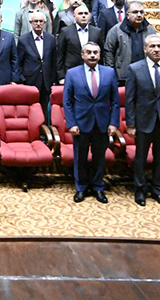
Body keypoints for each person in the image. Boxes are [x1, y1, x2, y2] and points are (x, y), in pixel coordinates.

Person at [125, 35, 160, 208]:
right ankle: (140, 190)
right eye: (152, 46)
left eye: (159, 46)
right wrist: (131, 124)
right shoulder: (135, 69)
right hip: (143, 121)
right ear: (145, 49)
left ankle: (158, 190)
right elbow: (129, 99)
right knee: (140, 157)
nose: (156, 49)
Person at [62, 42, 120, 204]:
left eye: (95, 52)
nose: (92, 55)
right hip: (80, 123)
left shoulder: (109, 73)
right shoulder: (72, 73)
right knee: (80, 157)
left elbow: (115, 101)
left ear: (100, 55)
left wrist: (113, 123)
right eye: (88, 52)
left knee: (99, 157)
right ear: (82, 55)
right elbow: (67, 102)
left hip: (102, 123)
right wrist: (71, 123)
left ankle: (98, 187)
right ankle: (81, 187)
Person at [103, 1, 156, 84]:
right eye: (135, 12)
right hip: (123, 76)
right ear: (127, 15)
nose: (139, 15)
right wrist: (112, 73)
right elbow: (108, 53)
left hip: (145, 75)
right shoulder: (116, 30)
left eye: (141, 12)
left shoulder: (150, 30)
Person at [17, 10, 57, 118]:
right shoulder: (23, 40)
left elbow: (54, 61)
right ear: (30, 22)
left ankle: (44, 129)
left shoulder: (51, 39)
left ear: (45, 23)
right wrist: (22, 79)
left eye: (41, 21)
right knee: (30, 110)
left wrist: (53, 80)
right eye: (35, 21)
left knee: (44, 110)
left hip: (46, 81)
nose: (38, 24)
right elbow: (19, 63)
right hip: (29, 81)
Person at [57, 4, 104, 82]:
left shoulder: (97, 31)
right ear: (74, 16)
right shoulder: (65, 31)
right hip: (72, 71)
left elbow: (101, 55)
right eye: (80, 13)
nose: (83, 16)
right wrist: (61, 76)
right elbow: (60, 54)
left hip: (92, 72)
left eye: (86, 13)